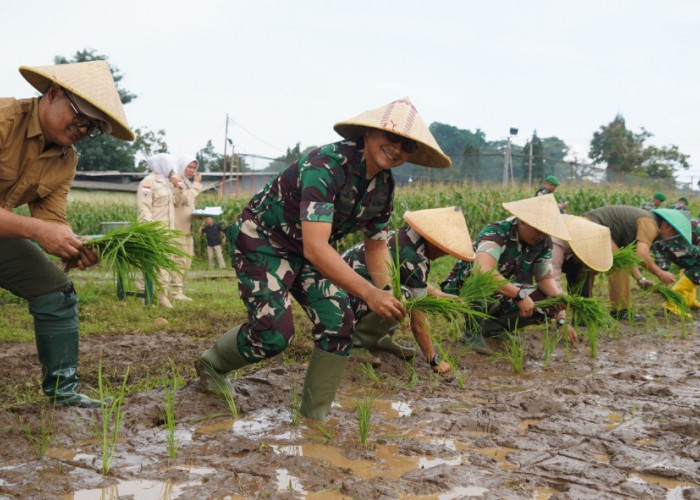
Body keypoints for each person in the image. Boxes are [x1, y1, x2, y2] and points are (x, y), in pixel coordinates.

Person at [194, 97, 451, 420]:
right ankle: (212, 365)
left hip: (310, 251)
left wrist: (387, 290)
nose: (397, 149)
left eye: (406, 146)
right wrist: (369, 293)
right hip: (264, 240)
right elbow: (317, 248)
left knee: (338, 323)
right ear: (368, 133)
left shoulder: (383, 187)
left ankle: (312, 420)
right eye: (392, 138)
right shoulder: (326, 165)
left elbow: (376, 246)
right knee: (274, 334)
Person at [0, 60, 133, 407]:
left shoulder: (65, 159)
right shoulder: (3, 120)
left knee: (56, 292)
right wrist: (36, 229)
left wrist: (74, 246)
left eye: (92, 127)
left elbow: (52, 218)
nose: (83, 130)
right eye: (79, 117)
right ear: (53, 93)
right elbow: (38, 226)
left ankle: (64, 394)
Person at [342, 206, 475, 374]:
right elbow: (418, 321)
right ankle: (357, 343)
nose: (445, 254)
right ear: (433, 241)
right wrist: (433, 359)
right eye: (444, 249)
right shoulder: (414, 257)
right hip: (345, 296)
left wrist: (440, 296)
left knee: (402, 292)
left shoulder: (407, 238)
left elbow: (414, 281)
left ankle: (378, 339)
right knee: (402, 297)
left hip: (355, 291)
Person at [440, 194, 572, 355]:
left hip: (499, 290)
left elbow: (545, 278)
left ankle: (494, 327)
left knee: (549, 301)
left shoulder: (542, 242)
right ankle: (471, 333)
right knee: (481, 282)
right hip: (463, 290)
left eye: (546, 232)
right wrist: (519, 295)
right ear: (523, 221)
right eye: (538, 230)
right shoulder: (496, 233)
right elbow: (483, 272)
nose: (542, 236)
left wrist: (560, 301)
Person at [583, 205, 693, 320]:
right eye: (675, 236)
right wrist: (660, 273)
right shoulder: (650, 223)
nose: (673, 240)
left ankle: (585, 312)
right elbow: (641, 255)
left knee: (588, 269)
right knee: (619, 266)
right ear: (668, 226)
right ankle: (620, 311)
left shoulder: (648, 221)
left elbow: (628, 256)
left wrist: (640, 279)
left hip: (590, 225)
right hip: (593, 226)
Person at [137, 153, 180, 308]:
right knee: (148, 263)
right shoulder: (148, 182)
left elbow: (176, 203)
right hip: (154, 230)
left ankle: (162, 295)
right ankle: (143, 294)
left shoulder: (167, 183)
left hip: (168, 231)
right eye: (170, 166)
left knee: (164, 264)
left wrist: (176, 187)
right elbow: (144, 207)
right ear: (162, 166)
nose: (172, 170)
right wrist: (150, 229)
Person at [170, 155, 202, 301]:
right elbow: (184, 199)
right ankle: (175, 291)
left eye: (194, 168)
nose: (191, 170)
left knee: (187, 260)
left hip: (187, 227)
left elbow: (189, 204)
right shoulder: (177, 180)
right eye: (189, 166)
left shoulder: (188, 183)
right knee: (179, 259)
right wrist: (197, 185)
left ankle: (179, 288)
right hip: (177, 227)